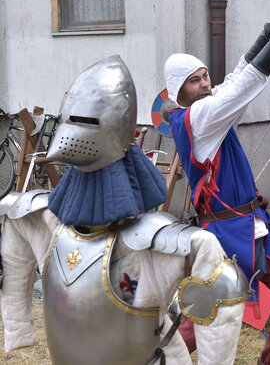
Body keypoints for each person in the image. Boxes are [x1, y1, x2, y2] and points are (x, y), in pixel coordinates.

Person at [0, 56, 248, 365]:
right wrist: (18, 325)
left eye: (85, 121)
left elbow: (221, 286)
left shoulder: (154, 241)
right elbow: (12, 246)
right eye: (73, 119)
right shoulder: (39, 218)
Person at [163, 5, 270, 365]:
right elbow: (238, 90)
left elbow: (232, 82)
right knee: (216, 309)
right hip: (228, 233)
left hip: (244, 225)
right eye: (194, 81)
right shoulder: (198, 117)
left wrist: (265, 35)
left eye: (204, 77)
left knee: (222, 302)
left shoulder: (207, 110)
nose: (205, 85)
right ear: (178, 91)